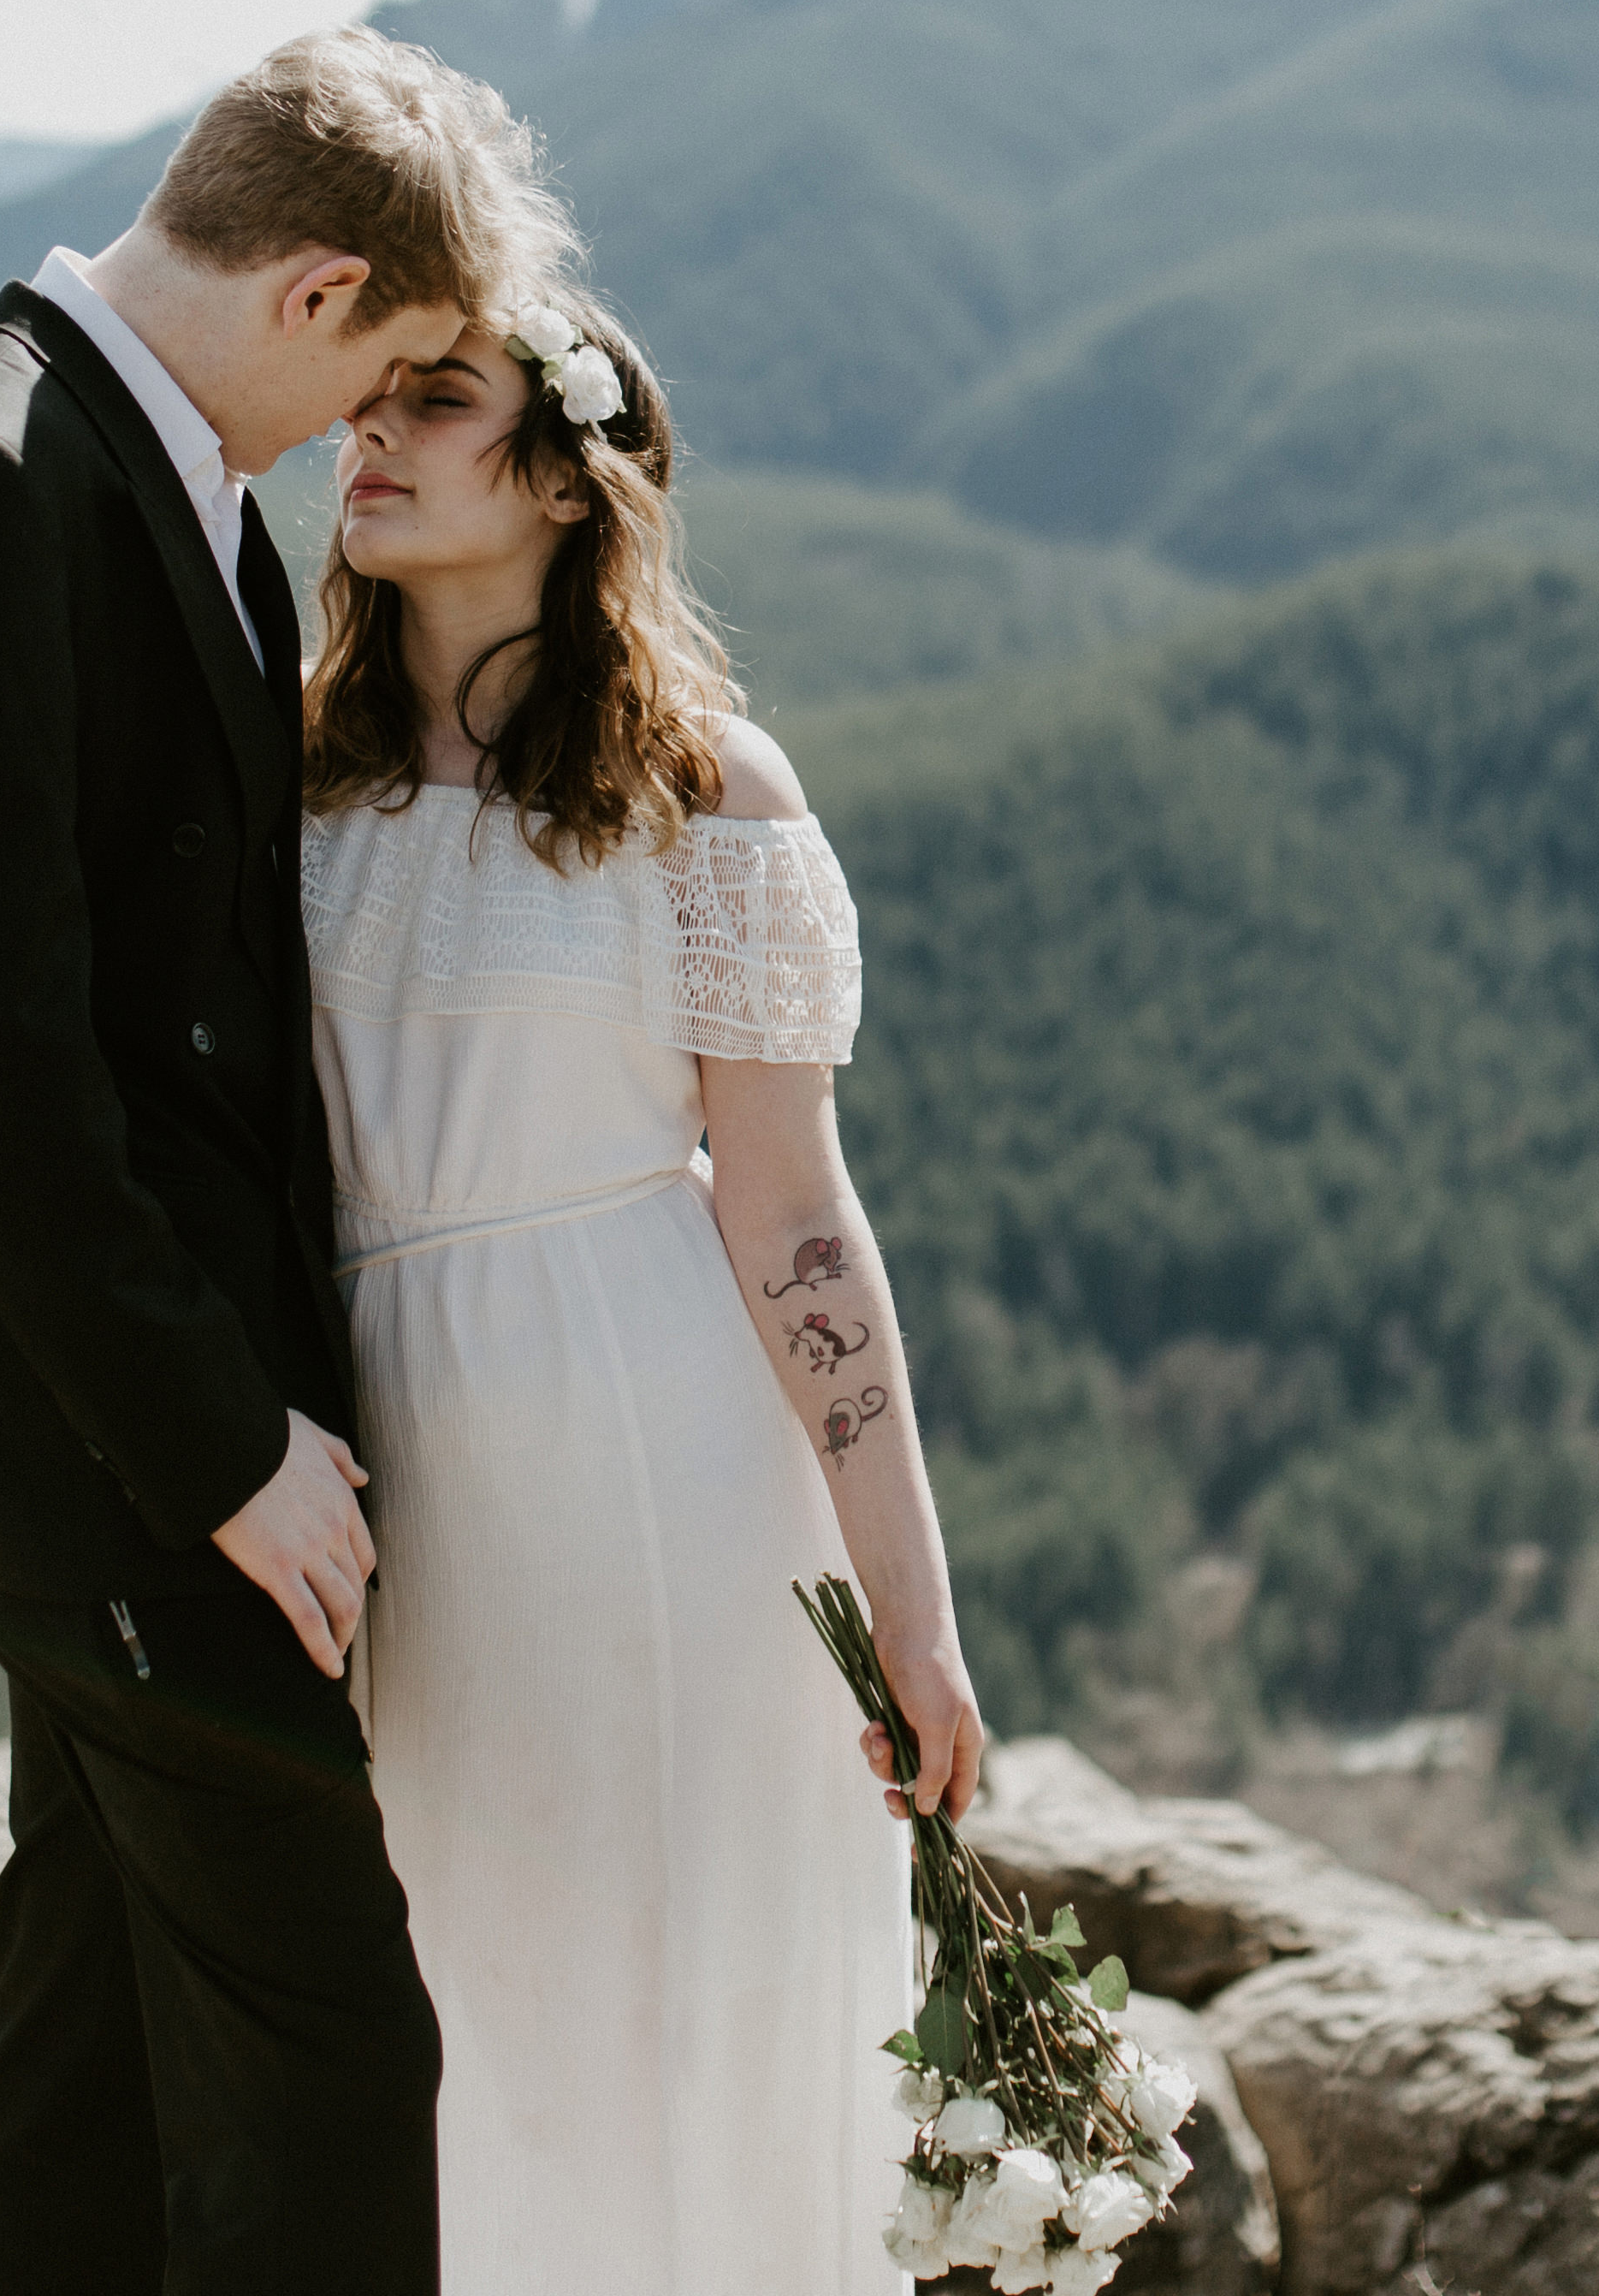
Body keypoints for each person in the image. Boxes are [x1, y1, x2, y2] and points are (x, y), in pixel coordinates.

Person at [0, 24, 568, 2296]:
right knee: (339, 2057)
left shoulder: (168, 480)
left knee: (100, 2033)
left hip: (146, 1432)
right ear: (317, 291)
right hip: (114, 1454)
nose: (365, 433)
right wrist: (221, 1446)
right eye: (393, 368)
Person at [302, 280, 985, 2296]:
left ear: (570, 481)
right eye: (370, 398)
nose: (376, 435)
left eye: (442, 403)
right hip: (387, 1454)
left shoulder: (705, 795)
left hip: (653, 1456)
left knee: (668, 2011)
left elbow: (794, 1221)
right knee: (451, 2018)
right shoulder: (295, 762)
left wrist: (914, 1622)